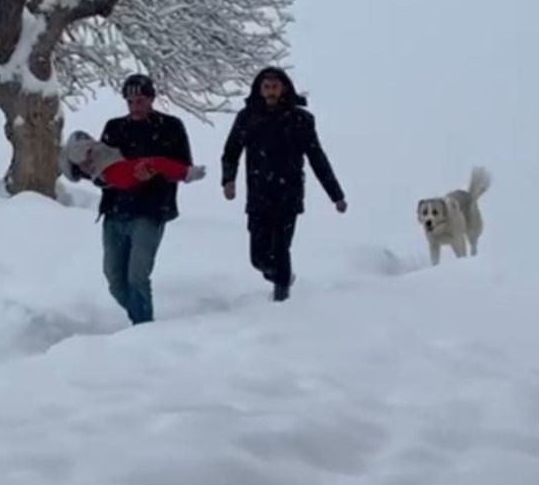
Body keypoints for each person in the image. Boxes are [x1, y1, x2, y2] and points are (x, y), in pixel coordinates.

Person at [220, 66, 347, 302]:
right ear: (259, 90)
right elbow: (231, 151)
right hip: (258, 195)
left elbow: (317, 158)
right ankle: (282, 277)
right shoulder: (247, 117)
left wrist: (336, 195)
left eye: (274, 87)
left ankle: (282, 300)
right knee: (258, 257)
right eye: (266, 87)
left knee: (280, 250)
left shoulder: (300, 119)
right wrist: (228, 180)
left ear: (284, 89)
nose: (270, 92)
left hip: (288, 195)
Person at [78, 73, 193, 325]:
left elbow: (183, 167)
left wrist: (153, 173)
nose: (135, 106)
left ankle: (143, 329)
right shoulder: (114, 127)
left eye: (140, 100)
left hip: (150, 210)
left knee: (138, 277)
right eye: (130, 101)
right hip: (115, 208)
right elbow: (102, 166)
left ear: (151, 99)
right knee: (114, 279)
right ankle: (139, 321)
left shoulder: (170, 127)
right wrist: (93, 174)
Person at [60, 130, 206, 190]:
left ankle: (184, 173)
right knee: (158, 164)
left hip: (115, 171)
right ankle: (186, 173)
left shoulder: (92, 153)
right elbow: (80, 155)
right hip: (115, 169)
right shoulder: (77, 150)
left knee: (155, 168)